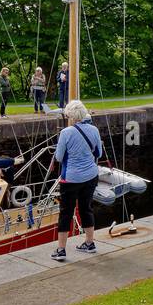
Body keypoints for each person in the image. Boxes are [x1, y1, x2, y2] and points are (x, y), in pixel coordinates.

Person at [50, 100, 103, 258]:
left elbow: (59, 157)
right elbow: (98, 153)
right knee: (86, 208)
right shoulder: (94, 130)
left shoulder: (66, 133)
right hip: (91, 176)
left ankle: (61, 249)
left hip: (71, 178)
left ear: (71, 116)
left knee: (66, 212)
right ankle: (89, 242)